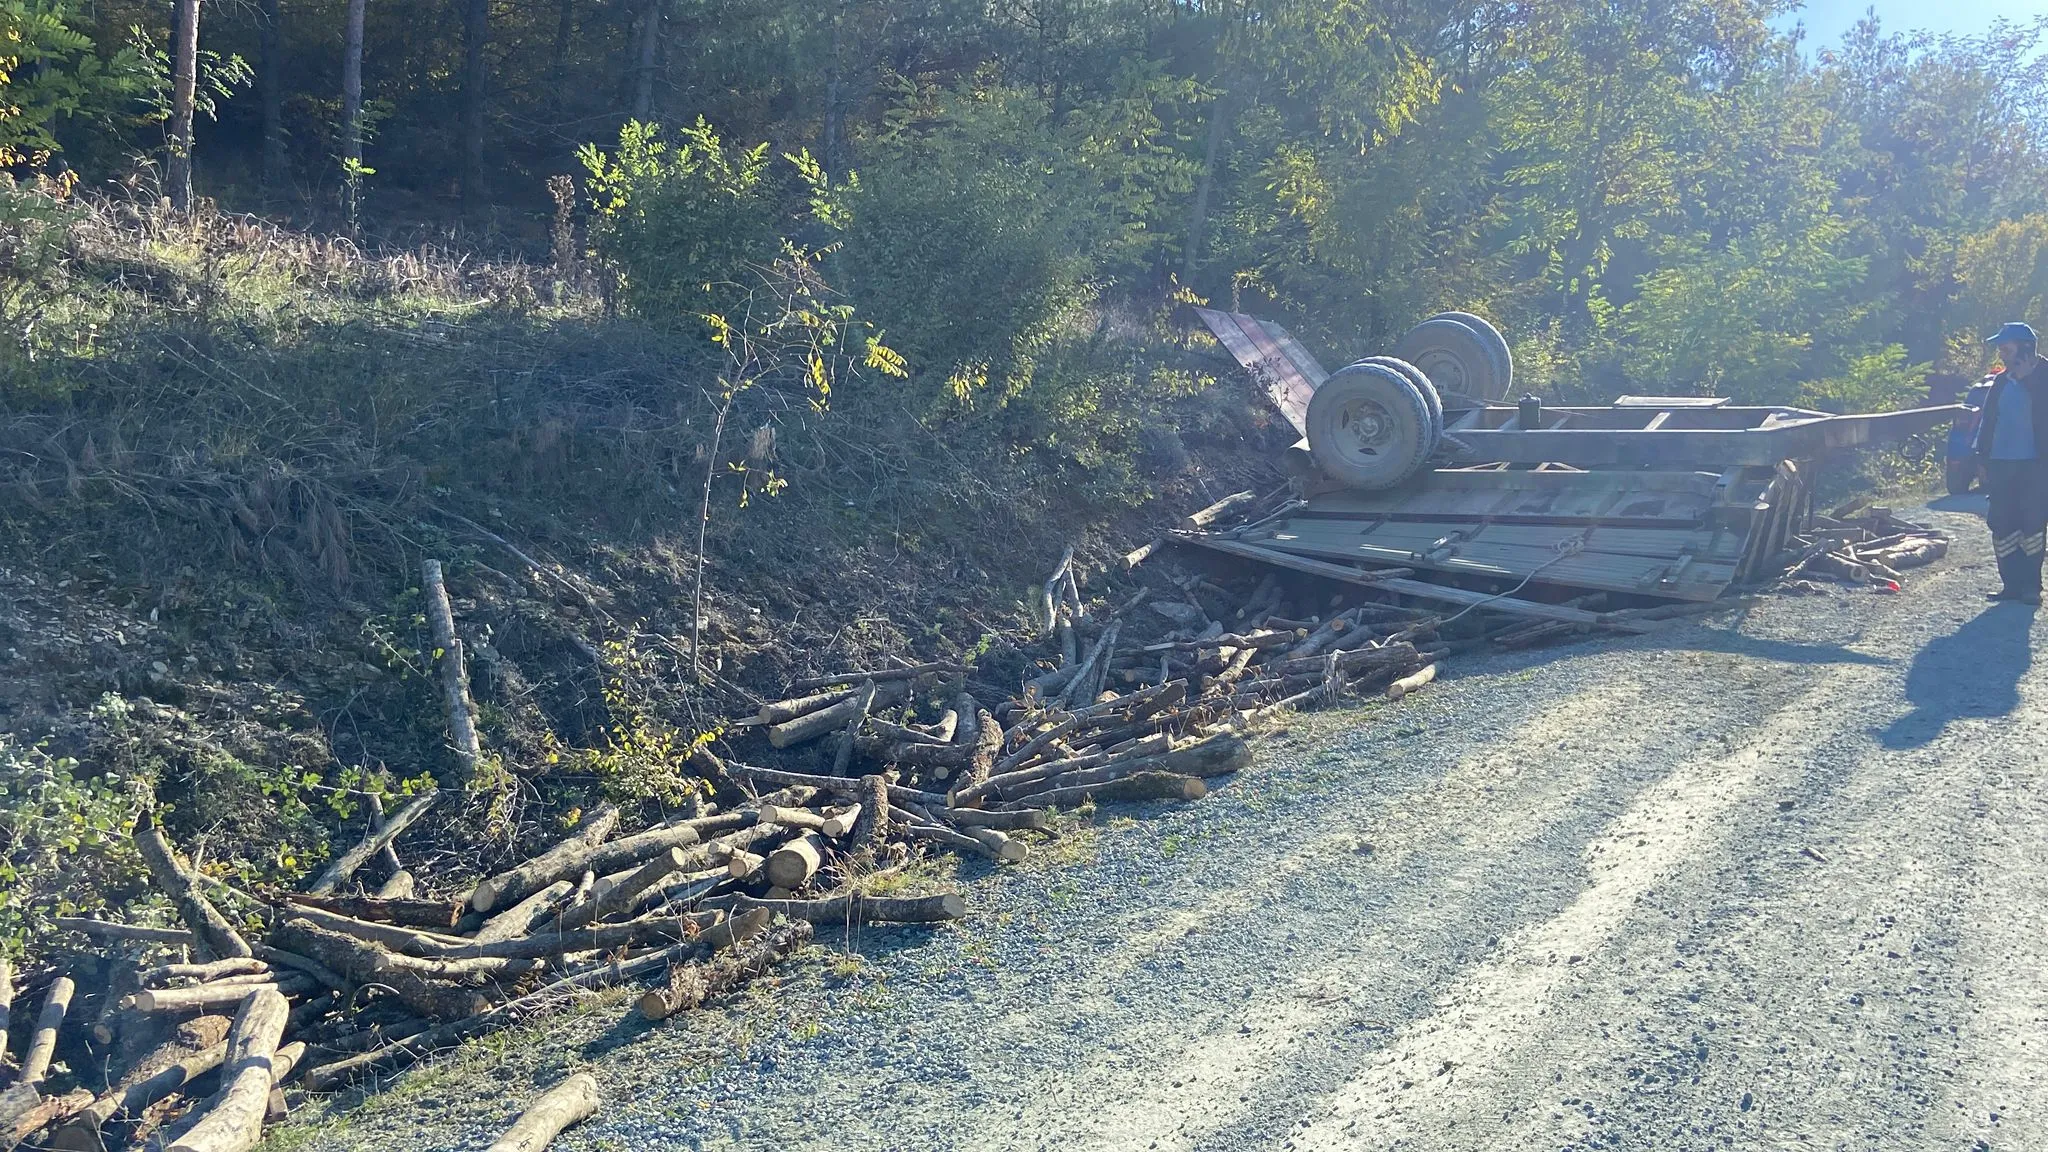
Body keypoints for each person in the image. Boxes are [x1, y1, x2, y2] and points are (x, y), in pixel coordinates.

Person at [1974, 321, 2048, 604]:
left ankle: (2032, 588)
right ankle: (2011, 586)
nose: (2001, 351)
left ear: (2025, 346)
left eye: (2006, 346)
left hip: (2036, 466)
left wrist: (2027, 378)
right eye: (2000, 347)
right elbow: (1988, 421)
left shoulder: (2045, 376)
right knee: (2002, 524)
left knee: (2032, 524)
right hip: (2001, 464)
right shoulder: (2001, 380)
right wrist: (1981, 458)